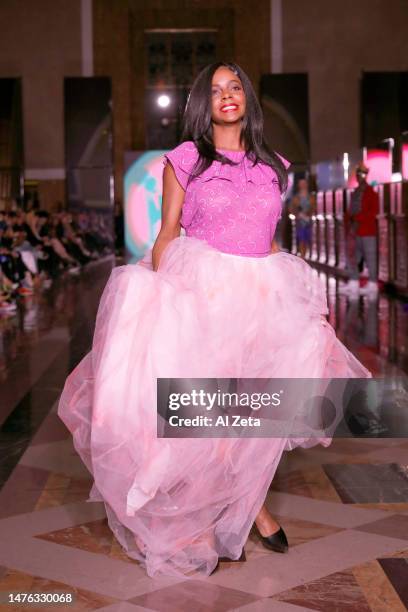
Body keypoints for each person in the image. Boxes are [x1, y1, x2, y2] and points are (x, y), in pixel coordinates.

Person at [58, 61, 371, 578]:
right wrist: (166, 294)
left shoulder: (273, 165)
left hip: (260, 291)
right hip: (202, 289)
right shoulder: (185, 160)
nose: (226, 96)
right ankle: (241, 511)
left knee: (252, 405)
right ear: (204, 104)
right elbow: (167, 232)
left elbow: (266, 236)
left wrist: (295, 300)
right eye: (216, 90)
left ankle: (243, 505)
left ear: (247, 97)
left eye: (235, 87)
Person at [341, 162, 379, 298]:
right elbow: (351, 210)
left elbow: (373, 212)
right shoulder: (356, 192)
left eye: (362, 174)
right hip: (355, 231)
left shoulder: (371, 193)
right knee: (353, 257)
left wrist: (356, 217)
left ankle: (373, 284)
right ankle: (354, 282)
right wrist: (348, 219)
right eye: (358, 173)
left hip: (367, 231)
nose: (359, 176)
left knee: (370, 258)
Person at [290, 178, 316, 258]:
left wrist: (309, 213)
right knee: (301, 239)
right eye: (301, 184)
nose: (303, 185)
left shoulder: (311, 197)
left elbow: (313, 207)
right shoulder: (296, 198)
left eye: (304, 183)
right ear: (299, 185)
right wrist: (297, 214)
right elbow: (291, 208)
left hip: (308, 222)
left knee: (307, 239)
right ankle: (302, 256)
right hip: (300, 222)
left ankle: (305, 254)